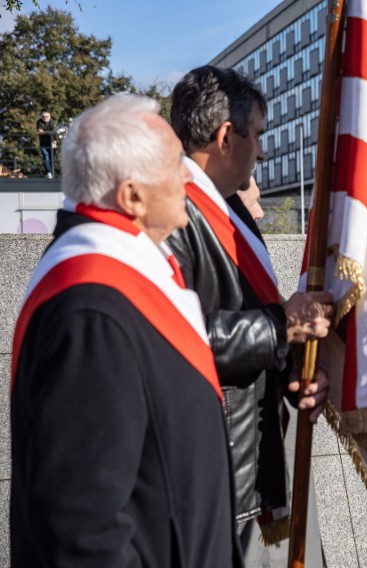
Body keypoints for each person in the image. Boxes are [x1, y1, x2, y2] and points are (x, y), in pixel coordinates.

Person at [10, 95, 242, 567]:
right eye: (173, 164)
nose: (187, 176)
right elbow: (83, 526)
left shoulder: (119, 278)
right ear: (132, 195)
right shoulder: (91, 310)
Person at [167, 65, 332, 566]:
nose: (262, 151)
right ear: (224, 136)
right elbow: (170, 336)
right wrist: (283, 325)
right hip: (217, 479)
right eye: (257, 135)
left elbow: (249, 318)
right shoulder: (167, 212)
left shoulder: (231, 210)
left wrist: (294, 375)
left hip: (259, 462)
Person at [36, 110, 55, 178]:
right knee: (46, 157)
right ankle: (49, 172)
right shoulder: (39, 122)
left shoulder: (52, 122)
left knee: (52, 157)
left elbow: (54, 131)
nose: (45, 118)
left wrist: (45, 132)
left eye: (47, 117)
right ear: (41, 117)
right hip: (43, 143)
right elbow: (40, 131)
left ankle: (52, 172)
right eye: (43, 117)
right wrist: (50, 132)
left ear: (50, 117)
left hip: (52, 142)